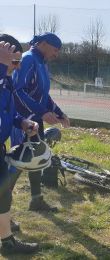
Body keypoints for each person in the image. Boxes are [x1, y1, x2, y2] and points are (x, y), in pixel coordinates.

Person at [11, 32, 70, 212]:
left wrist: (59, 113)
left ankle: (36, 200)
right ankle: (4, 211)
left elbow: (43, 96)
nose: (56, 54)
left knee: (36, 158)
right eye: (55, 49)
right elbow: (17, 92)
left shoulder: (42, 64)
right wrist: (42, 112)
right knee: (17, 163)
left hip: (35, 120)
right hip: (22, 121)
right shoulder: (27, 59)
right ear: (43, 44)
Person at [0, 34, 40, 254]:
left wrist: (22, 122)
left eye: (18, 62)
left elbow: (8, 112)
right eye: (13, 61)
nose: (16, 67)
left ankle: (7, 242)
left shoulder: (6, 81)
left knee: (3, 193)